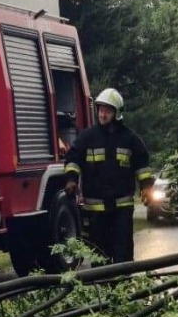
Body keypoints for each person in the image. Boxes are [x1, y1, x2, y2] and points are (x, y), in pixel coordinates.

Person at [62, 87, 155, 264]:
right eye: (100, 110)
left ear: (117, 113)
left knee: (123, 253)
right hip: (96, 211)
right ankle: (101, 289)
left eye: (107, 111)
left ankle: (123, 288)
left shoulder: (130, 139)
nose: (102, 114)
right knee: (99, 256)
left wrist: (146, 187)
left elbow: (142, 165)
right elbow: (72, 157)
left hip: (122, 208)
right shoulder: (87, 137)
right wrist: (72, 179)